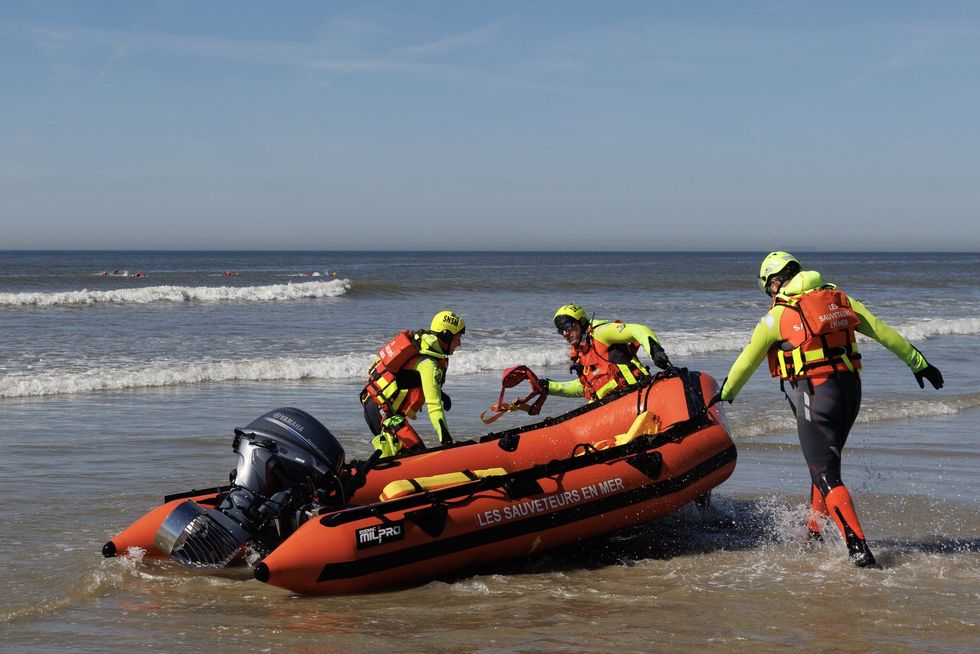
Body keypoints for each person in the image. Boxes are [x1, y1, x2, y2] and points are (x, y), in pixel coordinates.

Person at [715, 251, 944, 567]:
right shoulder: (840, 300)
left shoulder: (776, 318)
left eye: (768, 287)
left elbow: (746, 362)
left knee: (825, 474)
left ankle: (858, 550)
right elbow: (881, 330)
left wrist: (724, 394)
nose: (770, 294)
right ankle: (813, 533)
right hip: (851, 394)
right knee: (823, 466)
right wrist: (919, 364)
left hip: (817, 396)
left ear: (777, 281)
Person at [360, 310, 465, 457]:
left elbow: (409, 379)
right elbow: (434, 408)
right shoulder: (430, 364)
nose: (459, 343)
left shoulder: (423, 345)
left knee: (404, 457)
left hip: (375, 405)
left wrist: (441, 394)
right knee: (416, 457)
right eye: (457, 338)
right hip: (383, 412)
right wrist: (446, 442)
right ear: (446, 336)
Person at [544, 303, 673, 402]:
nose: (565, 333)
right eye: (561, 330)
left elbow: (639, 330)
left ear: (582, 322)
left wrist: (655, 351)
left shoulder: (601, 333)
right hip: (607, 407)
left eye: (567, 326)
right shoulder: (580, 356)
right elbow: (586, 386)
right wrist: (550, 387)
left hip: (635, 394)